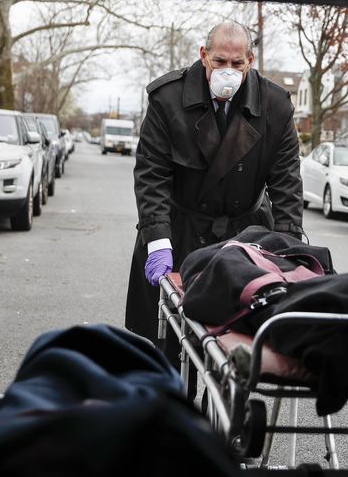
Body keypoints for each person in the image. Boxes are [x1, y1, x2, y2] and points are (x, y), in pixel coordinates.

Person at [125, 21, 304, 363]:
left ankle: (221, 411)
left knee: (234, 344)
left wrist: (288, 248)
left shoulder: (276, 105)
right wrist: (157, 239)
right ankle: (175, 408)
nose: (229, 71)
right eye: (220, 62)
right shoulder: (167, 98)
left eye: (237, 64)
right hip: (181, 229)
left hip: (245, 234)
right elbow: (152, 172)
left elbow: (287, 182)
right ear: (204, 56)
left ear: (250, 61)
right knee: (171, 344)